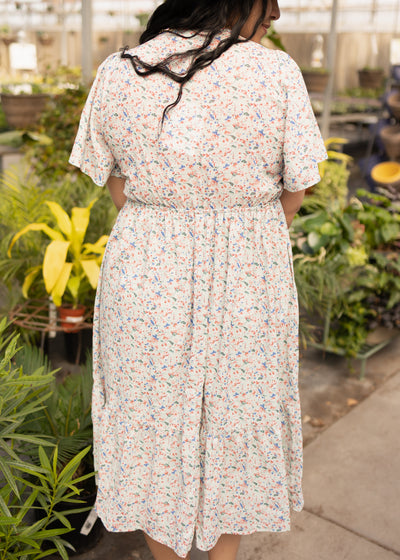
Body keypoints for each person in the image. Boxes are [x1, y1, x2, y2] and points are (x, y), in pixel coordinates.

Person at [69, 1, 327, 559]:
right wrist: (246, 237)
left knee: (148, 422)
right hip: (249, 275)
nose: (274, 18)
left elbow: (118, 188)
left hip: (143, 270)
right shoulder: (274, 70)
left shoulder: (119, 69)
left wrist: (171, 220)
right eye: (270, 5)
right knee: (238, 417)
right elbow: (298, 184)